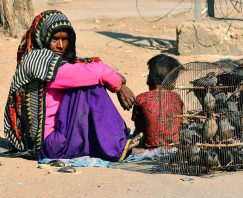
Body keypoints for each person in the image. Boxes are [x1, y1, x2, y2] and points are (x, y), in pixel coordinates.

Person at [4, 10, 142, 162]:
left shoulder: (48, 59)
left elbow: (87, 65)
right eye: (55, 39)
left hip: (59, 135)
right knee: (90, 86)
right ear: (43, 37)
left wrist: (115, 80)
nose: (61, 45)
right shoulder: (39, 62)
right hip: (48, 145)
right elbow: (91, 73)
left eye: (65, 39)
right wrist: (118, 84)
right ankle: (116, 146)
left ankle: (115, 141)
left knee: (88, 79)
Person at [131, 54, 183, 150]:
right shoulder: (177, 97)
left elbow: (138, 126)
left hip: (149, 150)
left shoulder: (141, 98)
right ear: (173, 83)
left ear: (148, 79)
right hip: (174, 148)